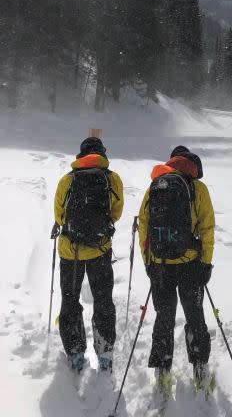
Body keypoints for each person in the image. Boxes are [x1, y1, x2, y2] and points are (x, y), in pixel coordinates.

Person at [138, 145, 215, 393]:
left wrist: (148, 261)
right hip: (191, 263)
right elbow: (207, 229)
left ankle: (162, 372)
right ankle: (200, 368)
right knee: (195, 315)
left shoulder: (157, 186)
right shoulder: (198, 188)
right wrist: (206, 263)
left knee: (164, 317)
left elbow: (144, 228)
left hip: (161, 265)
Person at [53, 136, 124, 372]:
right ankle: (104, 354)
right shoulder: (112, 179)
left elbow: (59, 216)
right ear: (103, 154)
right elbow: (116, 213)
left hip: (70, 252)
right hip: (99, 251)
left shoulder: (68, 180)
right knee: (103, 301)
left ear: (80, 156)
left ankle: (75, 353)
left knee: (70, 300)